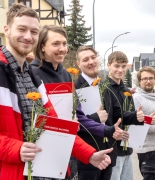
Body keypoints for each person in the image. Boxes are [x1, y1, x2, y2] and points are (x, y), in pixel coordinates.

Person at [0, 4, 111, 180]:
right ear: (7, 30)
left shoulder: (32, 75)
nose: (28, 36)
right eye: (22, 29)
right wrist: (16, 149)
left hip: (41, 172)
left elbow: (55, 125)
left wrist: (89, 154)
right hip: (8, 173)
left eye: (34, 31)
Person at [30, 25, 120, 180]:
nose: (62, 48)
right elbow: (32, 117)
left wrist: (108, 130)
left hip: (66, 151)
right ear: (42, 46)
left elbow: (77, 115)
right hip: (40, 154)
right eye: (56, 44)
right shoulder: (32, 73)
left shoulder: (64, 74)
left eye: (64, 44)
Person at [74, 46, 123, 180]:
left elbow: (111, 117)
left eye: (93, 57)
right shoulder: (74, 88)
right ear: (78, 64)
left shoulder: (104, 86)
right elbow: (74, 123)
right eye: (85, 59)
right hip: (88, 158)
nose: (91, 62)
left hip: (108, 155)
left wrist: (115, 131)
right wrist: (96, 118)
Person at [102, 51, 146, 180]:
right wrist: (133, 117)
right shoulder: (104, 89)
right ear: (108, 65)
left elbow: (129, 116)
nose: (120, 70)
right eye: (116, 66)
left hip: (127, 147)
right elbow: (109, 118)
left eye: (123, 66)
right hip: (112, 149)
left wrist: (139, 118)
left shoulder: (127, 91)